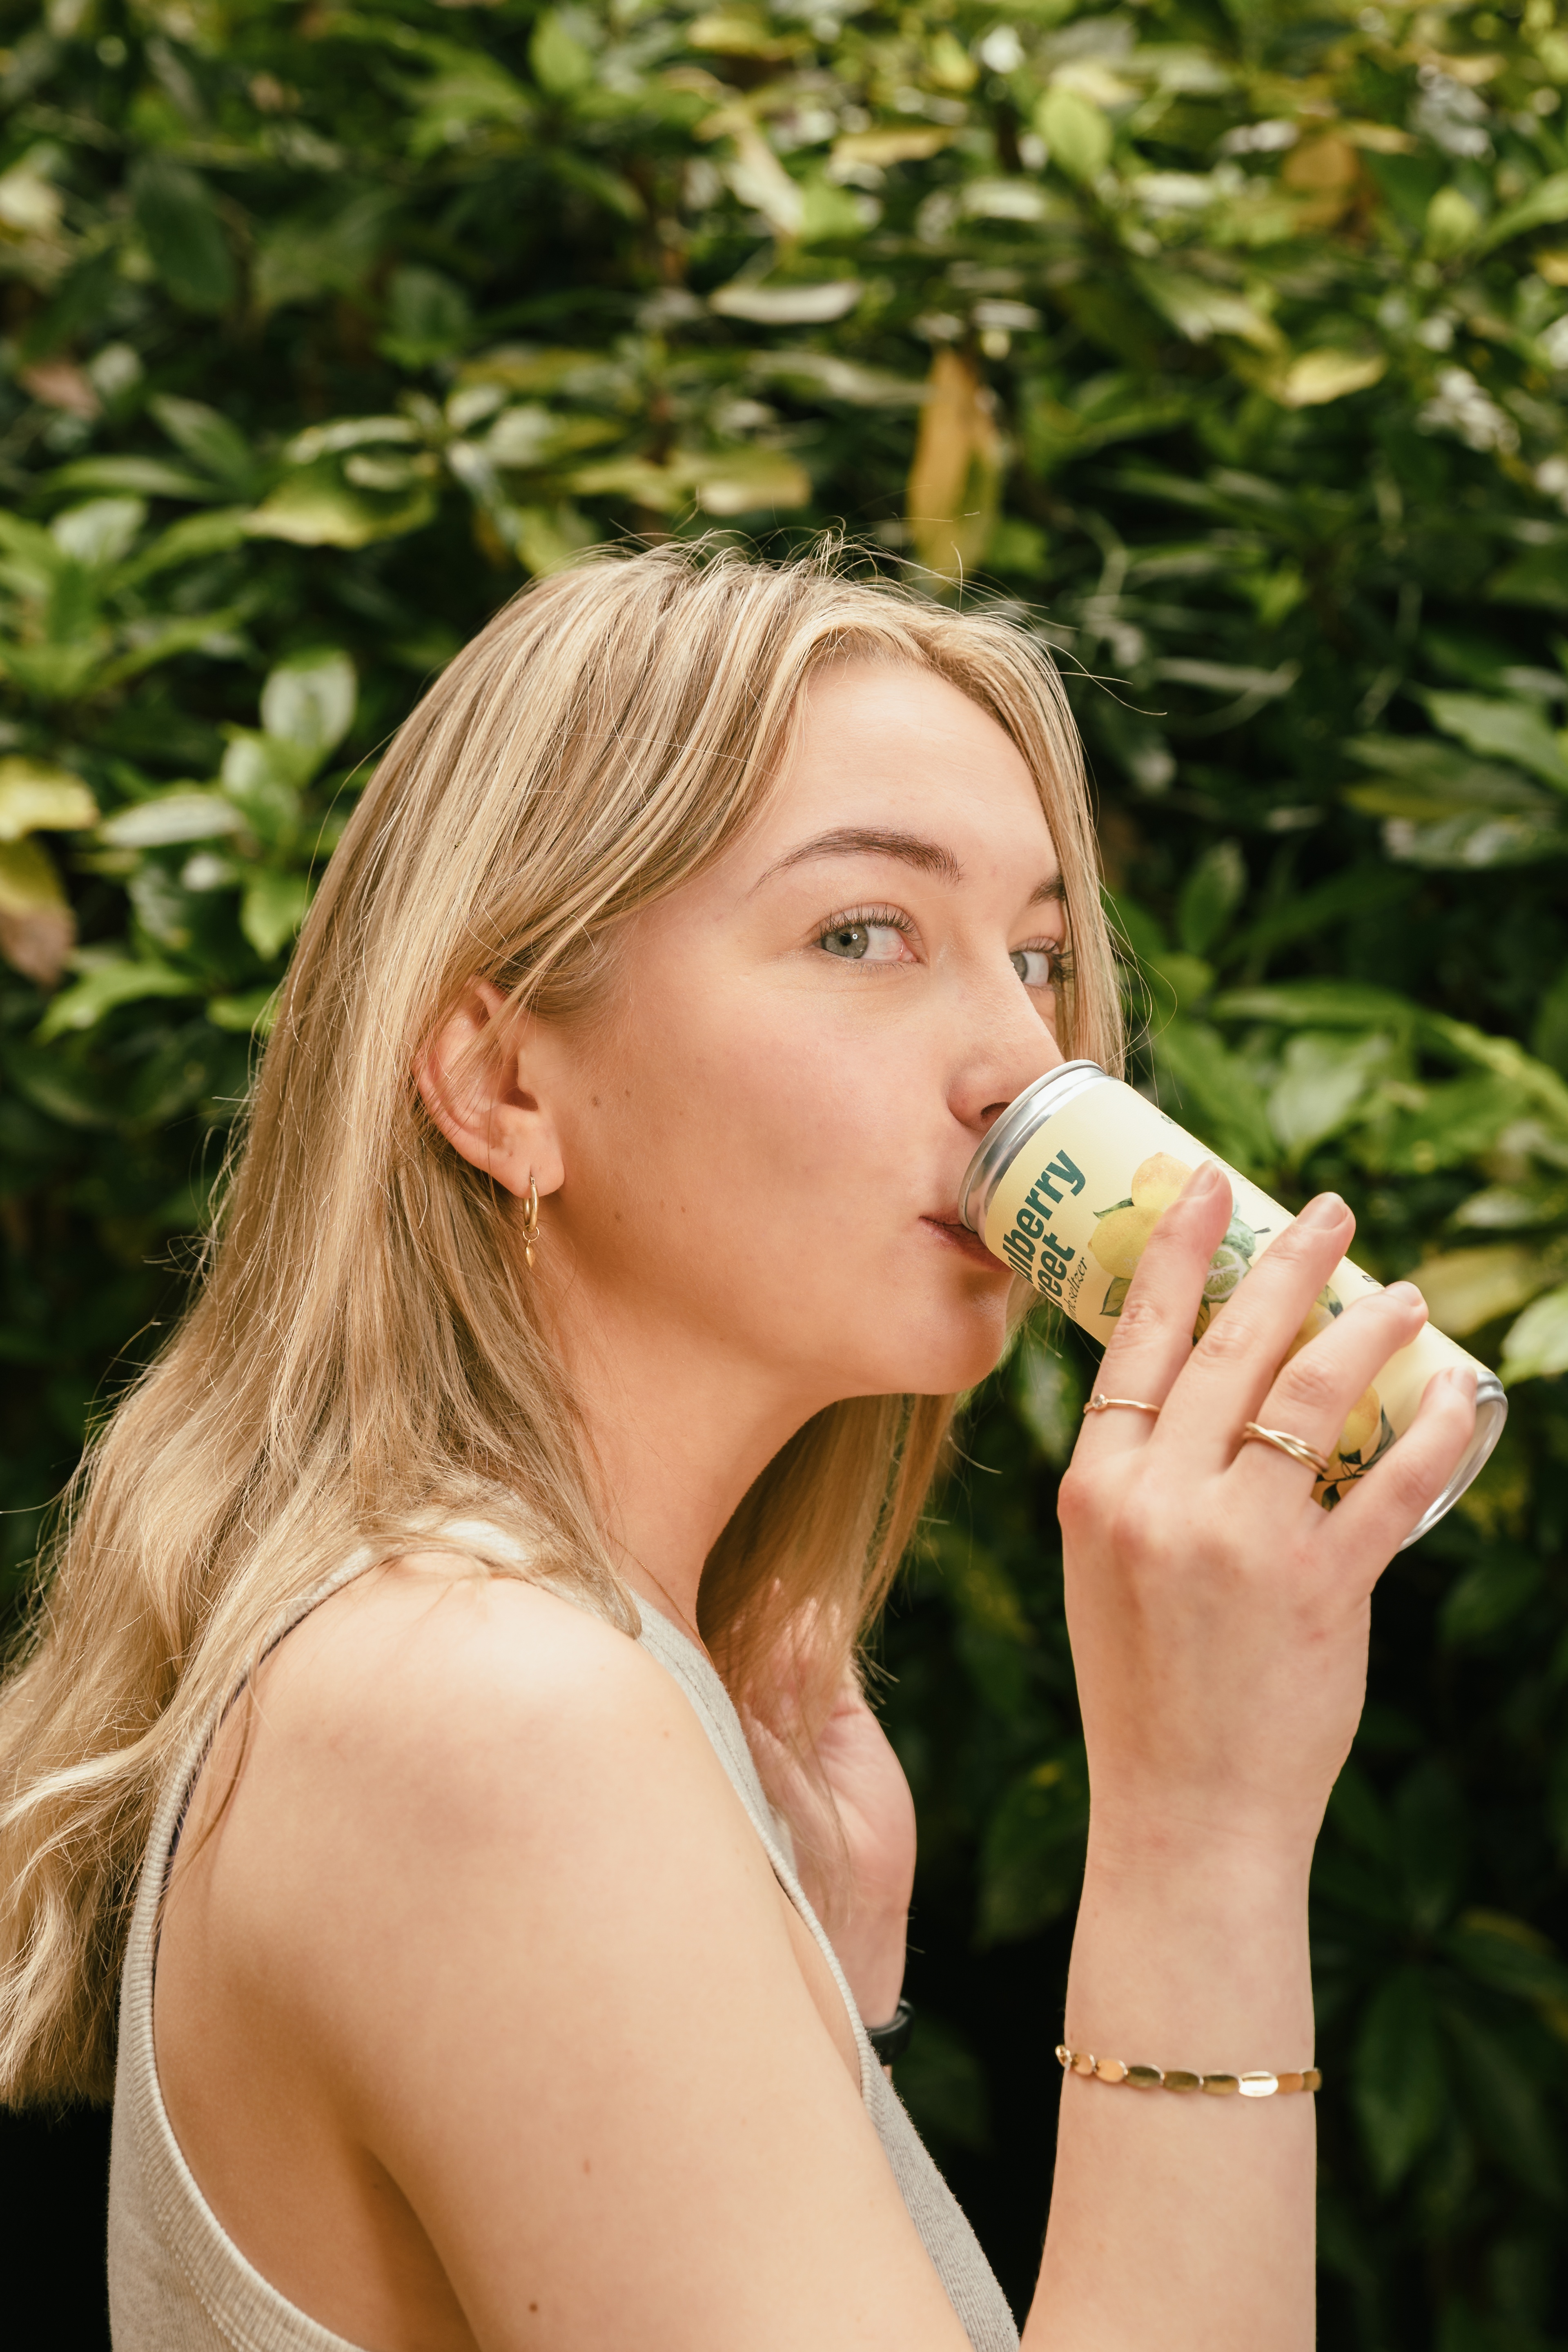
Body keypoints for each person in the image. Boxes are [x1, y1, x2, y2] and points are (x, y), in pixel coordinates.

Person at [0, 545, 1475, 2352]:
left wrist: (823, 2004)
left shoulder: (570, 1681)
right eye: (866, 933)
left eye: (1036, 954)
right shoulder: (487, 1709)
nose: (1024, 1056)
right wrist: (1203, 1842)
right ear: (502, 1084)